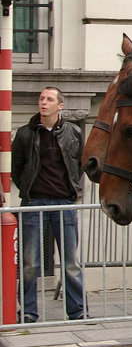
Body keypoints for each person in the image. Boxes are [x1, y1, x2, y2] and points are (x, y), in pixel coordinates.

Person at [12, 86, 86, 323]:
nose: (44, 102)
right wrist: (28, 187)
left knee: (71, 262)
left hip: (64, 202)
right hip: (34, 202)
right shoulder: (25, 134)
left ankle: (77, 312)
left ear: (60, 106)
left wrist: (71, 190)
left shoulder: (73, 132)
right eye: (41, 98)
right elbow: (17, 169)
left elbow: (79, 165)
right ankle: (28, 312)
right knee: (30, 262)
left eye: (49, 99)